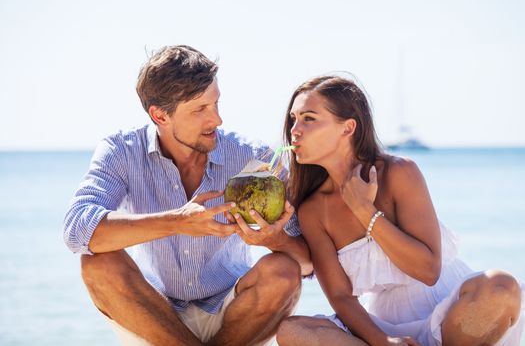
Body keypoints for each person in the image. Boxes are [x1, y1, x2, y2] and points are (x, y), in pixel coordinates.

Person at [63, 45, 312, 346]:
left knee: (284, 271)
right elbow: (77, 231)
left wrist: (275, 240)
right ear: (160, 115)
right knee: (97, 263)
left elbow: (308, 262)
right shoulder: (121, 151)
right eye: (200, 110)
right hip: (153, 314)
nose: (217, 120)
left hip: (235, 312)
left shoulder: (254, 157)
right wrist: (176, 222)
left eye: (216, 104)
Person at [275, 75, 524, 346]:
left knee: (501, 286)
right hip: (382, 323)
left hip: (455, 315)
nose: (294, 130)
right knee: (293, 330)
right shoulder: (313, 210)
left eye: (309, 118)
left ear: (347, 128)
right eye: (293, 119)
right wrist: (384, 341)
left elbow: (428, 271)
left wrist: (363, 210)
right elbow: (340, 297)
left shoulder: (399, 172)